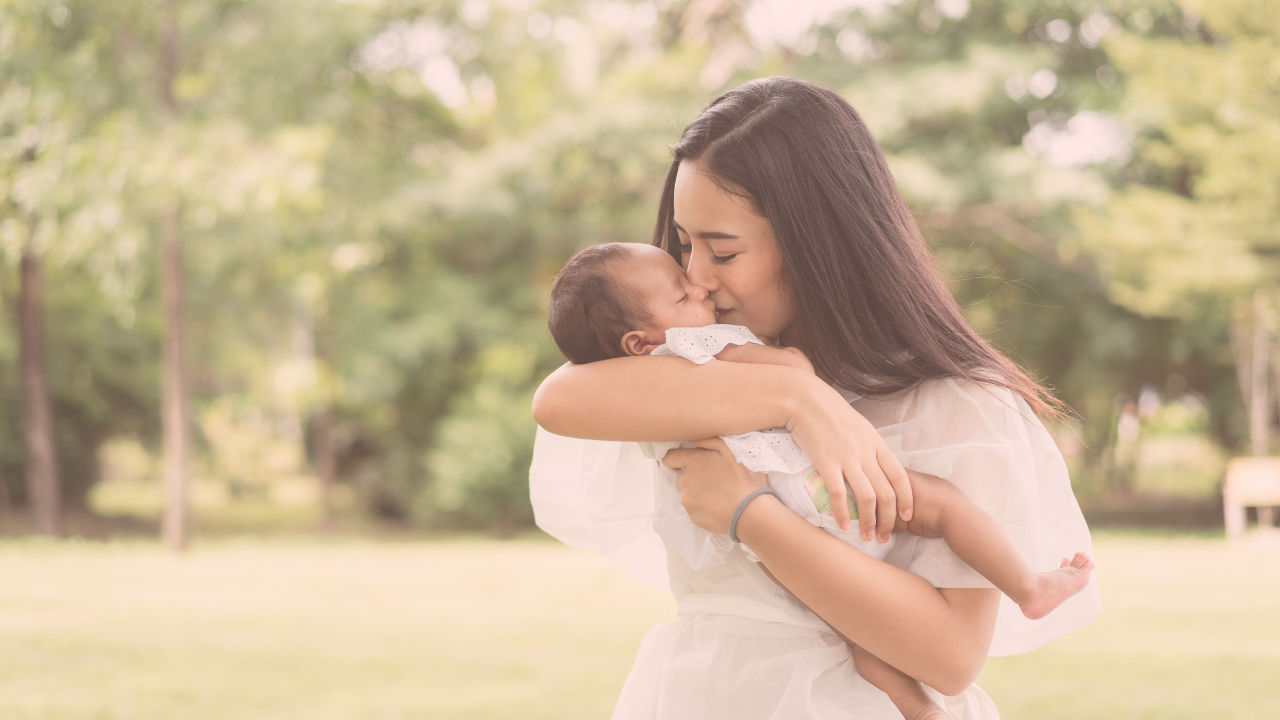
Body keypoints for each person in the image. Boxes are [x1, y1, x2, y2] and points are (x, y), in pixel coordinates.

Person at [529, 77, 1100, 720]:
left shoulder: (951, 408)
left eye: (723, 251)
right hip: (702, 693)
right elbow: (556, 401)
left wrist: (752, 516)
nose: (696, 277)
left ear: (816, 245)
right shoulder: (692, 374)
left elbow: (950, 657)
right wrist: (798, 397)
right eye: (685, 245)